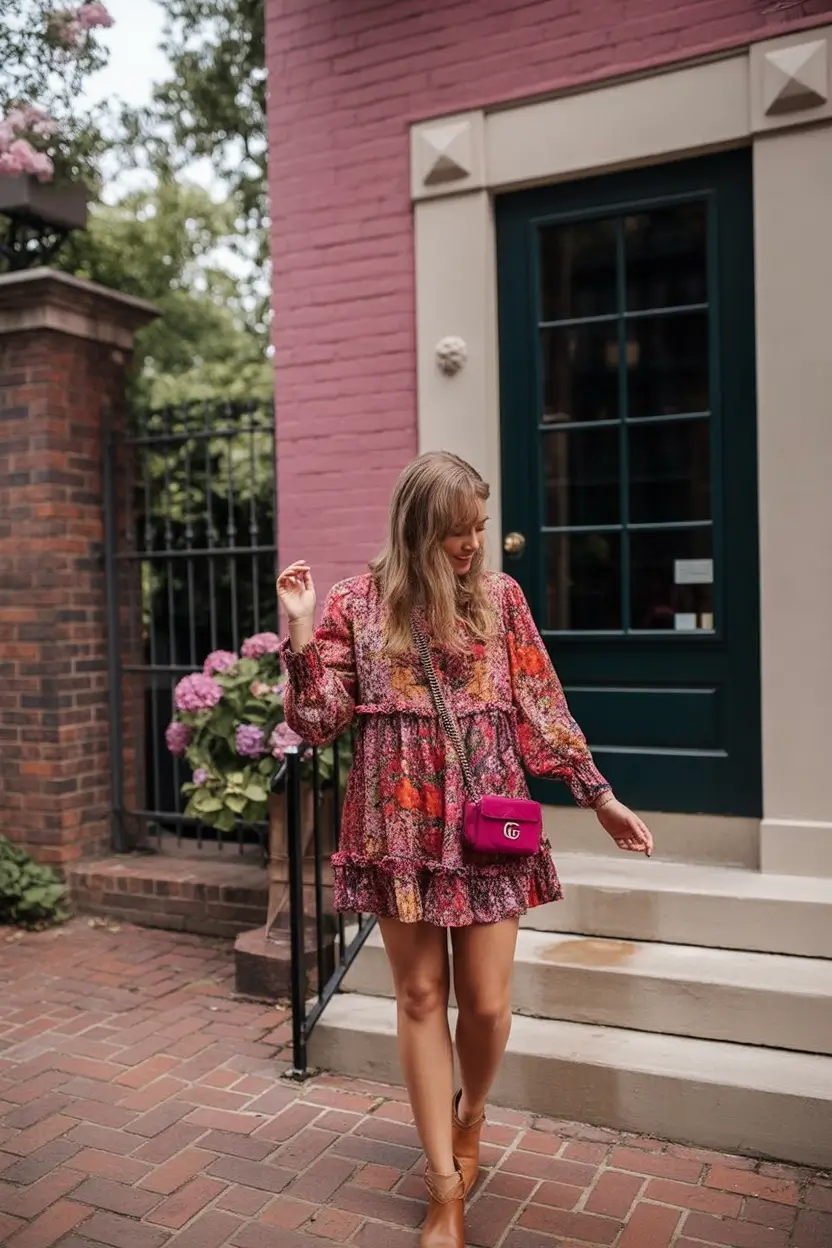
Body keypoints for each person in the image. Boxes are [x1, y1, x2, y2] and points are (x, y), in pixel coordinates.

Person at [277, 451, 653, 1248]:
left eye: (480, 527)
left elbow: (541, 704)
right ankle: (444, 1185)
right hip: (396, 821)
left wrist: (600, 797)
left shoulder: (499, 599)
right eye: (458, 531)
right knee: (418, 999)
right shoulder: (356, 602)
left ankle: (471, 1110)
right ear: (418, 530)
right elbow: (317, 724)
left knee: (483, 1003)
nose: (474, 543)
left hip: (485, 818)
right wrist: (303, 630)